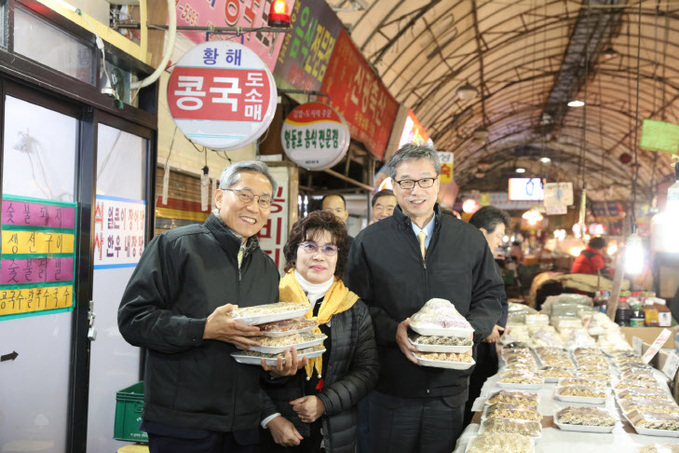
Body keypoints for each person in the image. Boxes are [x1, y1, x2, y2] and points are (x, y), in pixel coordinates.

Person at [118, 161, 303, 453]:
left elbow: (258, 342)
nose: (254, 207)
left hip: (243, 426)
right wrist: (203, 329)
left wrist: (275, 369)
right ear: (219, 198)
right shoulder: (174, 246)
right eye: (244, 195)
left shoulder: (267, 268)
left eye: (264, 201)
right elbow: (133, 320)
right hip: (182, 424)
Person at [345, 144, 504, 453]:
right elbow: (355, 304)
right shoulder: (370, 241)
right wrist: (393, 329)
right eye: (406, 181)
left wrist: (470, 331)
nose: (415, 190)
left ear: (437, 182)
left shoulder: (468, 238)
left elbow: (490, 293)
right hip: (390, 387)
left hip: (450, 388)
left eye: (424, 180)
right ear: (393, 185)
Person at [260, 210, 379, 453]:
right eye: (310, 246)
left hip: (334, 434)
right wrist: (270, 416)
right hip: (276, 431)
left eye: (329, 249)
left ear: (339, 258)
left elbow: (368, 370)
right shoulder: (269, 300)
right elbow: (242, 371)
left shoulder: (354, 308)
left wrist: (325, 403)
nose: (319, 256)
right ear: (294, 252)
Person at [464, 206, 510, 426]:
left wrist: (497, 325)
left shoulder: (489, 260)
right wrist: (485, 326)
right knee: (470, 404)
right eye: (498, 235)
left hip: (486, 344)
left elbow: (500, 300)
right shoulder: (461, 261)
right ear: (483, 233)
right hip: (471, 346)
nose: (500, 242)